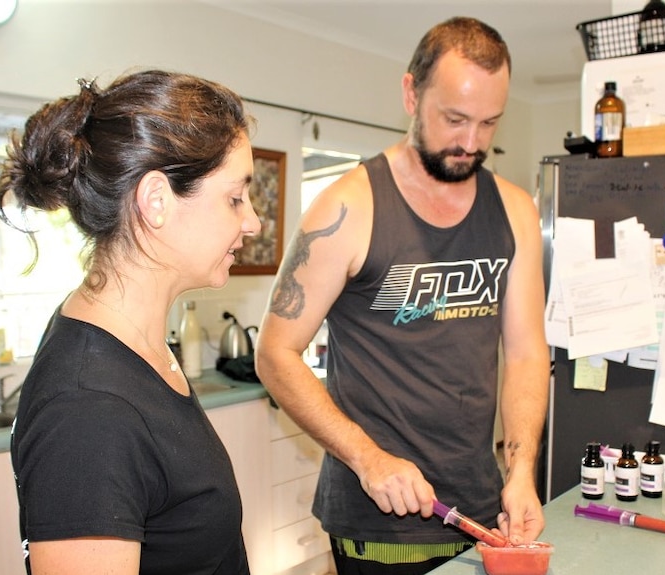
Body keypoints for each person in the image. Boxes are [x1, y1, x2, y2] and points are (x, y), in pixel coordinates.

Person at [256, 16, 550, 575]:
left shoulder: (515, 211)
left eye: (489, 123)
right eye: (455, 118)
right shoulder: (348, 208)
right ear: (412, 93)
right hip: (378, 520)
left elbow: (527, 353)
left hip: (482, 510)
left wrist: (521, 471)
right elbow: (274, 354)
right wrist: (368, 459)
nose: (471, 142)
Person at [0, 70, 260, 575]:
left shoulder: (135, 345)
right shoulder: (88, 409)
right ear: (156, 201)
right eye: (234, 198)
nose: (251, 221)